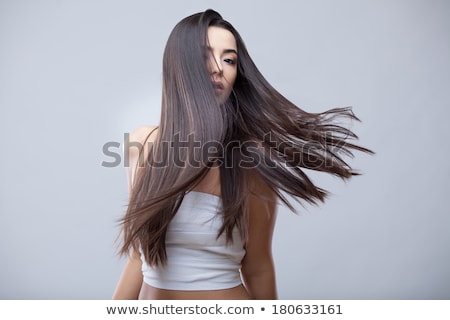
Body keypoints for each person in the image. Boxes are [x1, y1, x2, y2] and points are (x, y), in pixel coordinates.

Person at [112, 9, 372, 300]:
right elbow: (138, 255)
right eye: (205, 56)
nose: (218, 68)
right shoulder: (141, 145)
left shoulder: (251, 161)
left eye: (229, 60)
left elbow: (258, 266)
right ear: (179, 66)